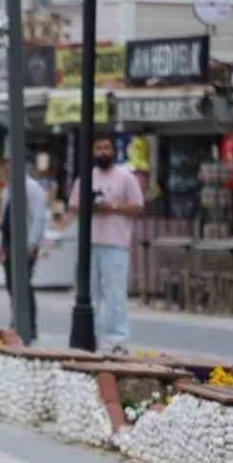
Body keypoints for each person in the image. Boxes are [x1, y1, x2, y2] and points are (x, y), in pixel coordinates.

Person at [68, 135, 145, 352]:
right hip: (89, 243)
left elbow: (138, 206)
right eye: (98, 148)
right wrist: (90, 205)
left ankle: (117, 340)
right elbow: (73, 205)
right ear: (93, 152)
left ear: (113, 151)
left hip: (115, 243)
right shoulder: (86, 177)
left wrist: (112, 207)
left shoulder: (126, 177)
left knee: (115, 293)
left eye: (106, 148)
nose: (103, 152)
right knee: (88, 294)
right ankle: (89, 338)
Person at [0, 153, 48, 335]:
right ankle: (16, 319)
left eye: (11, 163)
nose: (8, 167)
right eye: (6, 163)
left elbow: (38, 217)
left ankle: (29, 324)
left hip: (24, 243)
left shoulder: (32, 188)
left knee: (23, 284)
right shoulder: (8, 188)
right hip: (8, 242)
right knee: (11, 283)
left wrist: (33, 244)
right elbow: (4, 216)